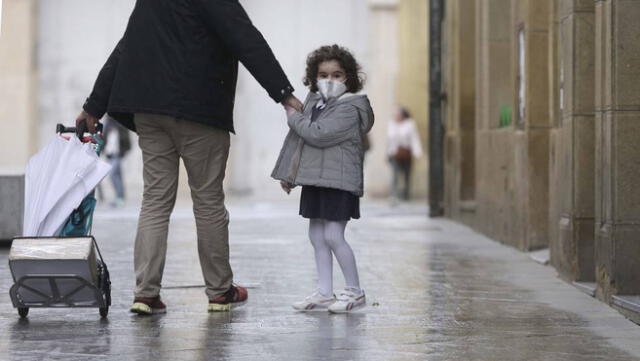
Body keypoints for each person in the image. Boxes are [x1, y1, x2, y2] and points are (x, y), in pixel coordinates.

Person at [76, 0, 303, 315]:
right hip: (200, 111)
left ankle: (145, 293)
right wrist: (284, 94)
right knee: (208, 201)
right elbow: (245, 38)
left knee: (154, 201)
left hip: (150, 110)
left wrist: (93, 106)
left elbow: (125, 48)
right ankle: (220, 291)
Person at [272, 45, 374, 313]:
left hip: (340, 183)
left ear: (349, 78)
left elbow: (317, 134)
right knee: (317, 235)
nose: (330, 80)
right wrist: (290, 176)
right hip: (316, 181)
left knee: (333, 235)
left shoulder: (350, 108)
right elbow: (300, 144)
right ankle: (325, 292)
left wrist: (292, 116)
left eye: (338, 75)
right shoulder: (315, 104)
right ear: (314, 78)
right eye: (324, 74)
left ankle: (355, 291)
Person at [387, 106, 423, 201]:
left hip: (406, 153)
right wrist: (389, 153)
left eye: (398, 114)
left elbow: (414, 139)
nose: (396, 115)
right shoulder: (392, 124)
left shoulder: (410, 124)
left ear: (402, 114)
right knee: (395, 174)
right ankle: (394, 194)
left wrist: (418, 153)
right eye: (395, 114)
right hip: (395, 153)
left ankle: (406, 195)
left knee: (407, 174)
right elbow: (390, 140)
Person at [102, 116, 131, 208]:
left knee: (113, 174)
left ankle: (119, 197)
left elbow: (126, 139)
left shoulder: (121, 124)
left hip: (118, 154)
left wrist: (125, 150)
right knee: (118, 175)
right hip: (109, 153)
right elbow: (104, 138)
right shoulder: (107, 124)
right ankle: (119, 197)